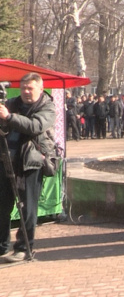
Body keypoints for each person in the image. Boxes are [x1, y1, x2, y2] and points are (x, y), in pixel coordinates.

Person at [0, 73, 56, 262]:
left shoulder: (47, 107)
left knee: (28, 209)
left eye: (30, 88)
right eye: (23, 87)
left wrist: (9, 117)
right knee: (2, 206)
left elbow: (35, 126)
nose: (25, 91)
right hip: (6, 160)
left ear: (40, 89)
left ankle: (24, 248)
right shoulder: (12, 103)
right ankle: (2, 245)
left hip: (30, 163)